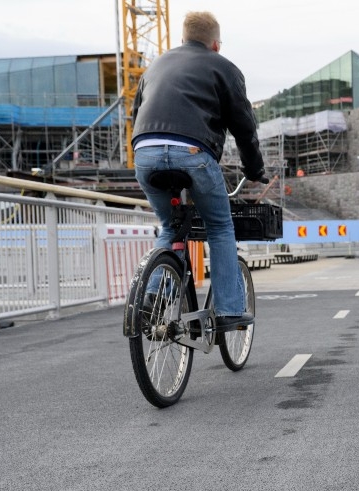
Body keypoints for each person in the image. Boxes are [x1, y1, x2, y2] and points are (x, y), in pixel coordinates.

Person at [131, 11, 264, 331]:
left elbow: (136, 112)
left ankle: (152, 298)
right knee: (219, 227)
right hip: (192, 153)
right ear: (216, 44)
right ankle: (229, 310)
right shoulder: (224, 68)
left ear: (182, 38)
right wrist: (254, 168)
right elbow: (244, 128)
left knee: (168, 225)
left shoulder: (156, 65)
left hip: (144, 152)